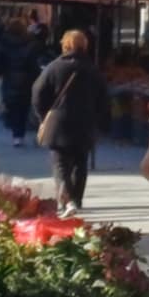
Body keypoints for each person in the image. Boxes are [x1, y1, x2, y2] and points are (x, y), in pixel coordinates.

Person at [33, 28, 106, 215]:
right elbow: (103, 98)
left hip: (59, 122)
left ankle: (65, 200)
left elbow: (38, 93)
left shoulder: (53, 67)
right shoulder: (92, 69)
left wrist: (43, 116)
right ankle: (75, 200)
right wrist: (100, 121)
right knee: (80, 162)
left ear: (65, 45)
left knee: (60, 163)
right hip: (85, 122)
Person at [0, 15, 40, 149]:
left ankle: (15, 132)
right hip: (26, 80)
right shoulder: (30, 43)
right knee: (23, 107)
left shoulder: (3, 43)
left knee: (12, 106)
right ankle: (19, 135)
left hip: (9, 78)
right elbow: (34, 64)